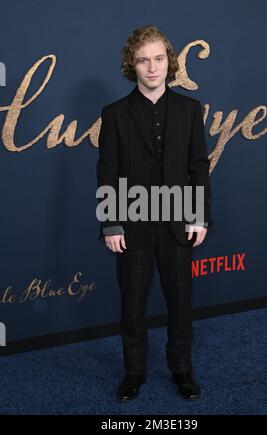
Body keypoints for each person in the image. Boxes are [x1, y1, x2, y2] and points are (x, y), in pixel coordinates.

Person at [96, 25, 213, 401]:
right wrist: (111, 222)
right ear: (133, 64)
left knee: (181, 304)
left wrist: (198, 215)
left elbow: (198, 166)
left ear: (169, 61)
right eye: (143, 60)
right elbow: (108, 172)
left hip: (179, 225)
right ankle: (134, 373)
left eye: (159, 58)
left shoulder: (190, 109)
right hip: (132, 227)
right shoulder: (114, 114)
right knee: (132, 306)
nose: (152, 67)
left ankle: (182, 371)